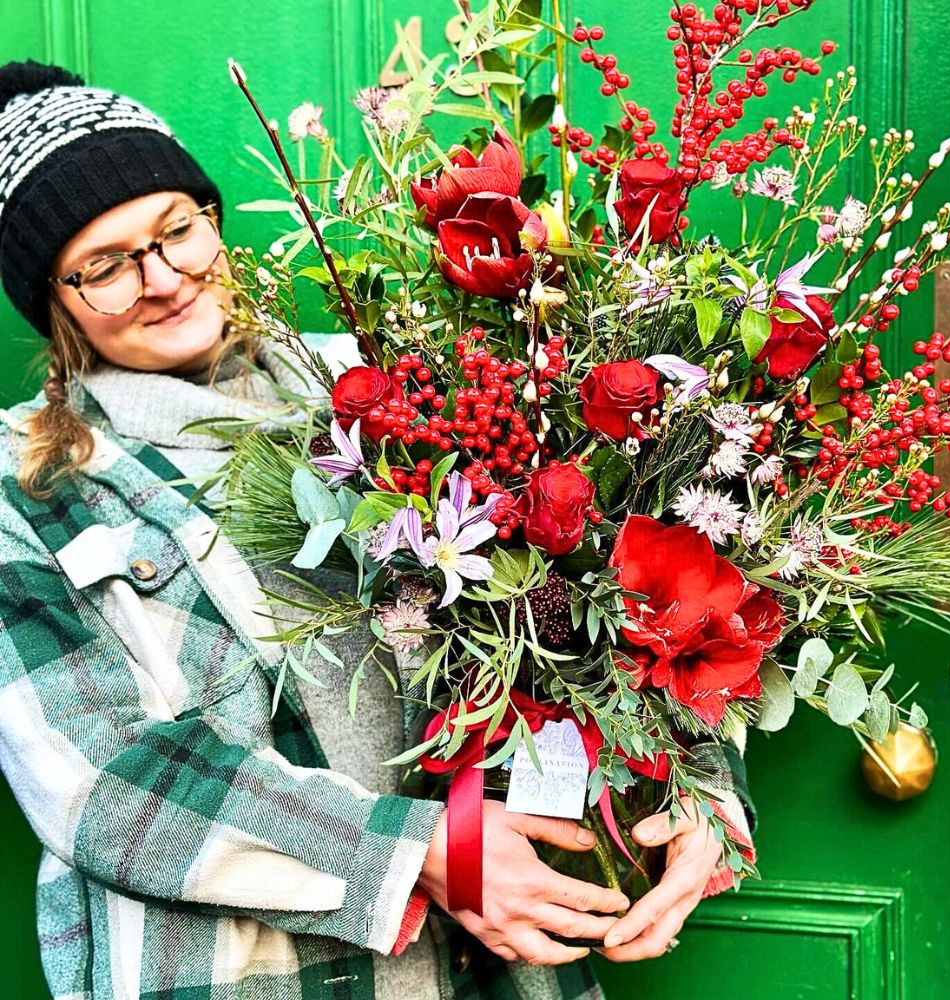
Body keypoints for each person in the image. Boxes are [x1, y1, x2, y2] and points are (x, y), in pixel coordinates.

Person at [0, 61, 755, 999]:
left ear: (211, 221)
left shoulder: (395, 385)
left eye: (175, 231)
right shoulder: (24, 489)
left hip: (506, 965)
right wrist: (420, 852)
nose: (162, 279)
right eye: (105, 266)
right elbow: (100, 781)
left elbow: (600, 610)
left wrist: (694, 790)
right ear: (53, 300)